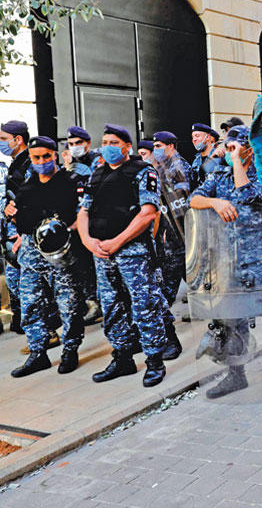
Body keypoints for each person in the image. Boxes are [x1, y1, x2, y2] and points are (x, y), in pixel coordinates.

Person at [189, 125, 262, 396]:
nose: (230, 149)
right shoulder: (219, 175)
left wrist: (236, 160)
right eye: (229, 145)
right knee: (232, 319)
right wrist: (215, 203)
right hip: (229, 259)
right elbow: (193, 199)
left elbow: (247, 194)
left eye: (236, 145)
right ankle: (236, 374)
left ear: (249, 148)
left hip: (261, 258)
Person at [77, 124, 170, 387]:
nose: (107, 146)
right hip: (102, 253)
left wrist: (117, 242)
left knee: (145, 306)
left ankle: (154, 361)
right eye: (104, 141)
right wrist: (88, 241)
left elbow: (148, 213)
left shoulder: (142, 171)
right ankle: (122, 358)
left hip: (133, 253)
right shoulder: (96, 175)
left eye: (114, 142)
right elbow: (83, 212)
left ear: (127, 146)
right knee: (112, 307)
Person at [9, 136, 86, 377]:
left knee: (68, 303)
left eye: (45, 156)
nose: (41, 161)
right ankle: (38, 353)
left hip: (60, 251)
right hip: (31, 253)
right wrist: (10, 214)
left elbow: (81, 214)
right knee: (30, 303)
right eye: (36, 158)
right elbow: (18, 216)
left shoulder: (69, 182)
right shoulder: (27, 186)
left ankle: (70, 350)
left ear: (54, 155)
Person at [61, 126, 103, 326]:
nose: (75, 147)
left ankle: (103, 302)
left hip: (96, 220)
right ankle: (92, 301)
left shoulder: (98, 161)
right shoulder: (71, 165)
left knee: (99, 264)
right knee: (83, 265)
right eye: (71, 144)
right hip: (76, 223)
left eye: (79, 143)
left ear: (87, 142)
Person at [152, 131, 192, 308]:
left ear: (170, 146)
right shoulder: (162, 167)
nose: (155, 150)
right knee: (180, 268)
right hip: (173, 230)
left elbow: (185, 199)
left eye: (158, 146)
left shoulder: (179, 167)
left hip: (183, 229)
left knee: (179, 268)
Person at [1, 120, 32, 338]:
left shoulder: (30, 163)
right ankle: (24, 322)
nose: (1, 144)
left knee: (32, 286)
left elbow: (36, 201)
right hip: (12, 234)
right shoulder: (14, 163)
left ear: (17, 139)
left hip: (26, 235)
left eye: (3, 139)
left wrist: (25, 233)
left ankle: (43, 332)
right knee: (15, 280)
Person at [189, 123, 220, 189]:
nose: (194, 139)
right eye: (193, 137)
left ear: (208, 137)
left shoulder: (218, 157)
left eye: (197, 136)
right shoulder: (196, 160)